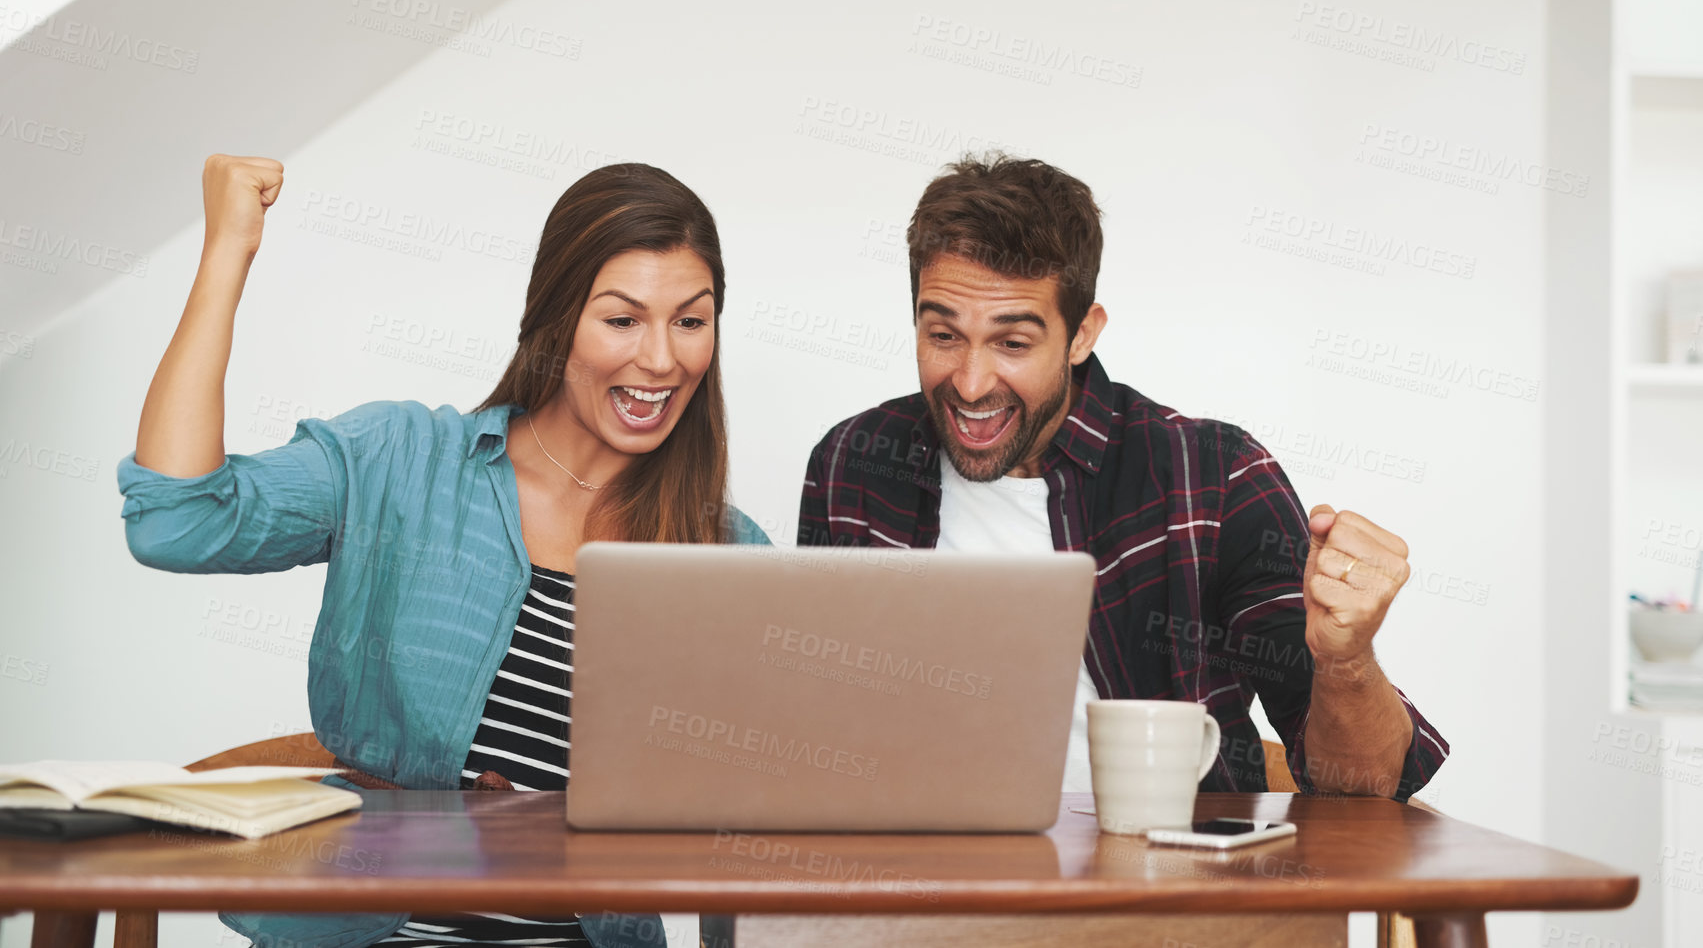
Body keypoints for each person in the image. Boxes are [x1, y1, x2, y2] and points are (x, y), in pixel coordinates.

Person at [117, 154, 768, 948]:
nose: (662, 359)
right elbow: (177, 519)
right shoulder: (402, 461)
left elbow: (749, 823)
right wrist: (228, 251)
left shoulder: (726, 554)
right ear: (556, 319)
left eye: (690, 321)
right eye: (622, 319)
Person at [797, 153, 1446, 801]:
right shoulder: (853, 463)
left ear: (1081, 334)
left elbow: (1365, 788)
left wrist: (1345, 660)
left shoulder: (1212, 476)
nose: (969, 382)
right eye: (943, 334)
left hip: (1161, 888)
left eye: (1012, 343)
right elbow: (818, 731)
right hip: (922, 881)